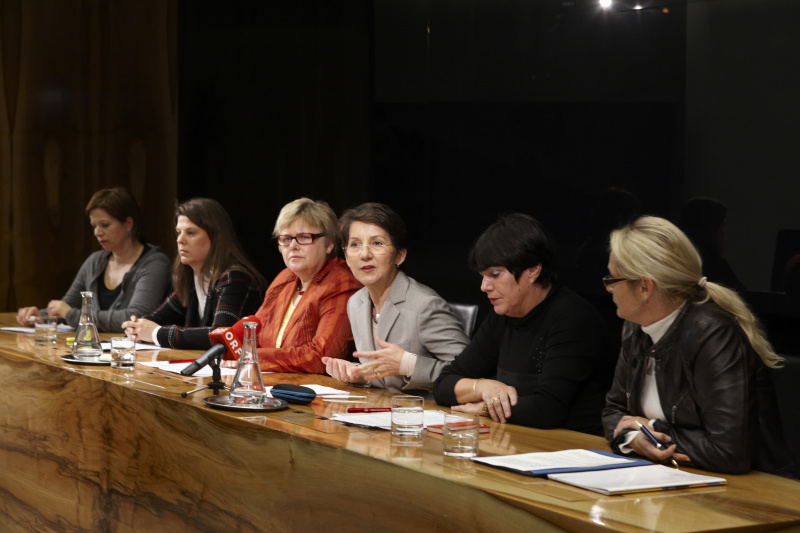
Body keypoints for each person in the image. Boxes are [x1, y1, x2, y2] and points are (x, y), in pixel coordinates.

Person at [602, 216, 797, 477]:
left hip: (755, 492)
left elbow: (729, 452)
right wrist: (634, 440)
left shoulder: (713, 333)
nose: (609, 288)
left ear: (645, 288)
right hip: (673, 477)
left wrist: (650, 427)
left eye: (613, 279)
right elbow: (613, 413)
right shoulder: (635, 326)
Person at [433, 213, 614, 435]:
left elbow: (547, 409)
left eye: (495, 274)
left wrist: (484, 408)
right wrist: (482, 387)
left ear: (532, 270)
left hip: (571, 447)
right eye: (483, 275)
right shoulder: (501, 316)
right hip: (517, 439)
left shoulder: (572, 318)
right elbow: (443, 384)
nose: (484, 286)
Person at [322, 203, 469, 393]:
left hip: (425, 414)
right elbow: (385, 379)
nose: (365, 254)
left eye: (377, 243)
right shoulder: (355, 303)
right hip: (379, 412)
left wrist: (408, 365)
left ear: (399, 255)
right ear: (347, 258)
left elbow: (468, 372)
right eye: (355, 245)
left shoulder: (425, 305)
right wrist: (360, 373)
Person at [225, 198, 361, 373]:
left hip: (315, 394)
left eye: (304, 237)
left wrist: (252, 357)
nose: (293, 246)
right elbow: (256, 332)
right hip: (269, 383)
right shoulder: (285, 278)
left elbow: (322, 357)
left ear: (329, 244)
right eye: (286, 238)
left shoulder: (341, 283)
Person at [16, 187, 170, 332]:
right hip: (96, 349)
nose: (97, 233)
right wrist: (40, 316)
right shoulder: (95, 261)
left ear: (128, 223)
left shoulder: (154, 263)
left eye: (105, 225)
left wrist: (70, 314)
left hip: (133, 354)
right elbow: (68, 306)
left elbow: (136, 317)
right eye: (94, 226)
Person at [122, 198, 265, 349]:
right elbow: (156, 319)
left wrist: (156, 333)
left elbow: (220, 336)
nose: (180, 240)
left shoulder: (235, 278)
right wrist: (136, 328)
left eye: (191, 233)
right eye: (178, 232)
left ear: (215, 237)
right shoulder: (190, 279)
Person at [677, 197, 745, 291]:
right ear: (710, 230)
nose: (726, 231)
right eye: (723, 225)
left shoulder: (673, 263)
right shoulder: (717, 270)